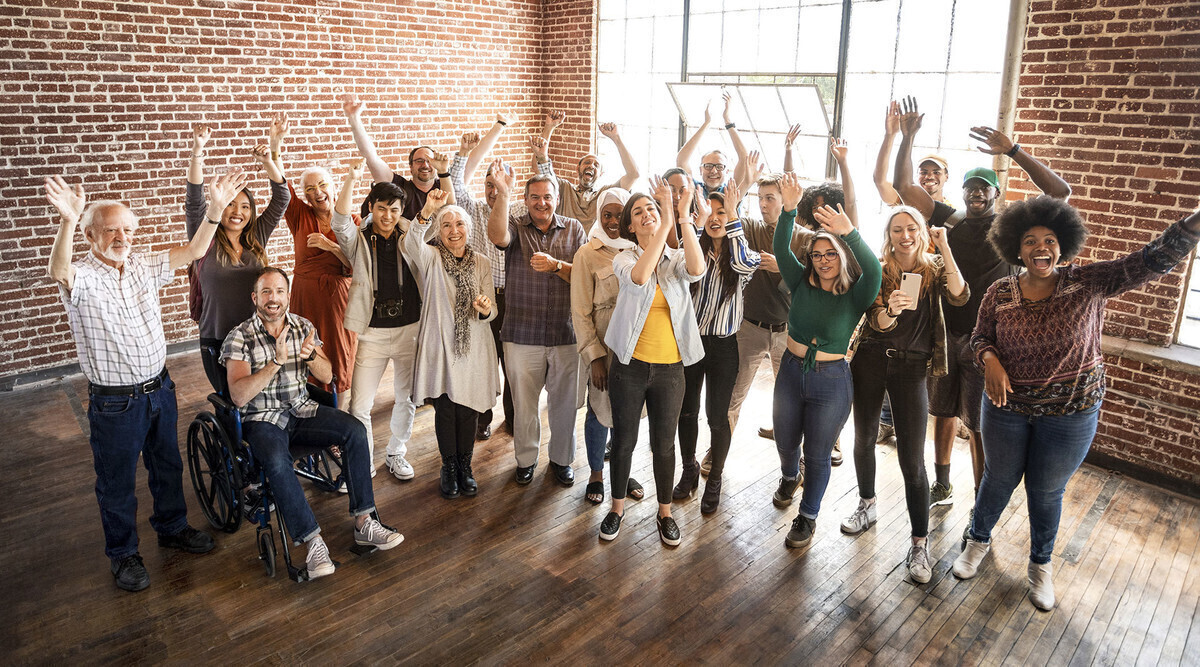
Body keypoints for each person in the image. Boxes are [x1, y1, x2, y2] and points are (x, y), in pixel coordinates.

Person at [953, 197, 1199, 610]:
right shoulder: (999, 292)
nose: (1039, 247)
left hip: (1071, 413)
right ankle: (977, 540)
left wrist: (1192, 225)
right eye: (1030, 241)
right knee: (997, 479)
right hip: (1006, 407)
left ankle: (1040, 566)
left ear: (1061, 246)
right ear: (1017, 249)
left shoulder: (1089, 282)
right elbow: (980, 338)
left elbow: (1149, 261)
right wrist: (990, 360)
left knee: (1045, 491)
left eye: (1049, 240)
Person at [44, 172, 243, 591]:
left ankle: (171, 528)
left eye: (128, 229)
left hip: (160, 390)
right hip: (115, 404)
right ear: (90, 235)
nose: (122, 236)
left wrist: (214, 212)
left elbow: (194, 250)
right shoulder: (81, 276)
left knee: (167, 465)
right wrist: (66, 220)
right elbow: (58, 269)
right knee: (116, 482)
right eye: (112, 229)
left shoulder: (143, 264)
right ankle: (124, 555)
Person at [892, 97, 1071, 526]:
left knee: (979, 425)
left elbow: (1060, 193)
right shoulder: (950, 219)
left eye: (983, 188)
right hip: (945, 334)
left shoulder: (1012, 228)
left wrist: (1013, 151)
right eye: (970, 187)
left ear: (996, 194)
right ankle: (942, 482)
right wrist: (908, 137)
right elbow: (903, 188)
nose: (975, 194)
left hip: (989, 344)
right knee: (942, 413)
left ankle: (980, 496)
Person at [223, 267, 403, 580]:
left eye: (279, 291)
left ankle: (365, 522)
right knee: (277, 462)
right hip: (263, 419)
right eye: (266, 292)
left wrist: (310, 358)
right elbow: (238, 396)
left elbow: (327, 375)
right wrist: (275, 363)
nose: (273, 298)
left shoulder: (302, 326)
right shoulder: (240, 336)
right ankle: (312, 542)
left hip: (302, 409)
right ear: (255, 298)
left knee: (355, 430)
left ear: (288, 296)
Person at [841, 207, 968, 584]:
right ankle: (867, 505)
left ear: (921, 232)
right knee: (863, 438)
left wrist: (945, 248)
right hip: (871, 360)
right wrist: (890, 312)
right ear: (889, 234)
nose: (905, 235)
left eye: (911, 228)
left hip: (913, 367)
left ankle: (918, 542)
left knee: (913, 459)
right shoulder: (878, 268)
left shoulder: (934, 268)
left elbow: (960, 296)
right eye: (897, 229)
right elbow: (875, 320)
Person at [773, 172, 882, 554]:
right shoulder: (800, 282)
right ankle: (790, 476)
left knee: (818, 454)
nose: (822, 261)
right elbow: (781, 249)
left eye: (830, 253)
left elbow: (875, 269)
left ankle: (808, 515)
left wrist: (849, 232)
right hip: (790, 371)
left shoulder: (856, 294)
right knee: (786, 442)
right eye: (817, 255)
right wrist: (788, 211)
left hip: (831, 381)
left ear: (842, 256)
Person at [600, 177, 707, 545]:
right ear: (630, 225)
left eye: (652, 208)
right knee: (625, 439)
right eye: (639, 212)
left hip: (670, 370)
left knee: (664, 443)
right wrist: (664, 222)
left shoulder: (675, 259)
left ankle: (665, 513)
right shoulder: (624, 257)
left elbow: (697, 270)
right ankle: (616, 509)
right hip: (629, 367)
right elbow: (641, 277)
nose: (647, 215)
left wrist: (682, 217)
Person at [451, 119, 556, 438]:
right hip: (483, 299)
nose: (493, 191)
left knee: (514, 365)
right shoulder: (475, 209)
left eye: (499, 185)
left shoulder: (522, 214)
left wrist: (543, 155)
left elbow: (548, 190)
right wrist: (462, 153)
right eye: (489, 185)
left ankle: (512, 419)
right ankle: (482, 419)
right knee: (484, 363)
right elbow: (456, 188)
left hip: (517, 300)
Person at [486, 160, 587, 486]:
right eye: (534, 197)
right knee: (525, 405)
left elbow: (585, 278)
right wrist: (503, 193)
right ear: (526, 200)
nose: (541, 203)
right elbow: (496, 235)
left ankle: (561, 460)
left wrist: (557, 265)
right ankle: (525, 461)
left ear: (556, 198)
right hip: (521, 334)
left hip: (565, 332)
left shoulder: (574, 229)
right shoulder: (515, 225)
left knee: (563, 405)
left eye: (547, 197)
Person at [330, 160, 424, 481]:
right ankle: (363, 459)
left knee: (407, 398)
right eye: (382, 208)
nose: (388, 216)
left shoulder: (413, 235)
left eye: (394, 210)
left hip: (410, 329)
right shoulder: (358, 239)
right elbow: (340, 220)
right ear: (372, 207)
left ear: (402, 211)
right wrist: (351, 179)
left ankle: (397, 452)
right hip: (371, 332)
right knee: (360, 406)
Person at [404, 190, 500, 499]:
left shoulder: (482, 262)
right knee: (445, 409)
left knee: (468, 409)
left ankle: (465, 466)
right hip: (441, 344)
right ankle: (448, 467)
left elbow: (492, 309)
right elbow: (410, 243)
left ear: (469, 229)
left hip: (474, 347)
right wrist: (429, 210)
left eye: (459, 224)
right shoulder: (430, 257)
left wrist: (485, 307)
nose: (454, 230)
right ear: (439, 231)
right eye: (446, 225)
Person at [674, 180, 760, 513]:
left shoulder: (743, 252)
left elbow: (741, 265)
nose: (714, 217)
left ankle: (715, 479)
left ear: (733, 215)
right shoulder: (690, 247)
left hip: (724, 346)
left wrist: (734, 218)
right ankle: (689, 469)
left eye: (721, 212)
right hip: (691, 344)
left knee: (717, 417)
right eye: (708, 210)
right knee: (687, 411)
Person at [721, 167, 811, 477]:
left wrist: (782, 269)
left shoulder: (805, 238)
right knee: (734, 395)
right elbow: (731, 217)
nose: (763, 204)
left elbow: (810, 285)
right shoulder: (751, 228)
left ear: (786, 200)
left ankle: (794, 464)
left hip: (788, 333)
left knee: (789, 400)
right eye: (760, 198)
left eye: (770, 198)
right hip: (749, 328)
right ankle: (717, 456)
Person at [186, 121, 289, 392]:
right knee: (229, 399)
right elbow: (194, 197)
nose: (237, 211)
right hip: (217, 337)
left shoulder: (256, 237)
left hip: (256, 335)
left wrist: (269, 160)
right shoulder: (204, 236)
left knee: (256, 398)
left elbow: (282, 197)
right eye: (231, 203)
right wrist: (198, 149)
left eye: (245, 206)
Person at [570, 187, 645, 505]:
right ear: (599, 216)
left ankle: (622, 472)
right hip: (604, 349)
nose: (614, 221)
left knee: (627, 413)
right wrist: (594, 357)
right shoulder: (587, 254)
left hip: (638, 348)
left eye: (619, 215)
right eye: (607, 215)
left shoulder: (642, 249)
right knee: (600, 412)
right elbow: (580, 311)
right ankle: (597, 475)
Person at [277, 122, 358, 405]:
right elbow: (280, 184)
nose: (317, 191)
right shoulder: (300, 215)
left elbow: (356, 266)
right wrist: (275, 146)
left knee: (340, 356)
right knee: (305, 351)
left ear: (333, 187)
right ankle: (309, 409)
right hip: (305, 296)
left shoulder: (353, 221)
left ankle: (341, 420)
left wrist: (331, 246)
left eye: (322, 185)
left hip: (338, 300)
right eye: (310, 188)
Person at [342, 93, 442, 220]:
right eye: (419, 161)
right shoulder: (400, 187)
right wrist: (354, 119)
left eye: (429, 161)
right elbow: (371, 157)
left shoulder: (445, 186)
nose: (425, 165)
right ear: (410, 167)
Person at [538, 111, 641, 228]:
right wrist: (549, 127)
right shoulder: (564, 189)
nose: (591, 166)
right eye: (587, 162)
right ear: (578, 168)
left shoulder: (606, 194)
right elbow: (541, 166)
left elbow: (634, 174)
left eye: (596, 165)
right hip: (565, 244)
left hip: (594, 245)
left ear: (601, 174)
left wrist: (616, 138)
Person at [676, 90, 750, 197]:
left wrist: (728, 121)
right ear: (700, 170)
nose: (714, 171)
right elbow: (681, 161)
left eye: (720, 166)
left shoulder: (732, 190)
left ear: (727, 171)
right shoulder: (694, 189)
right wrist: (706, 124)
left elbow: (745, 160)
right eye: (708, 166)